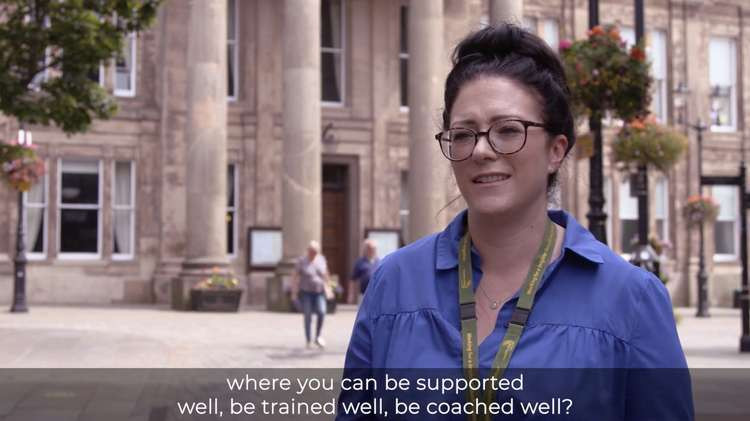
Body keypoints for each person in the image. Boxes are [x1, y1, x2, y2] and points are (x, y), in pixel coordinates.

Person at [338, 24, 692, 420]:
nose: (482, 150)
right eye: (463, 134)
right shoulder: (394, 284)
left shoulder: (632, 300)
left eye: (508, 130)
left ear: (556, 150)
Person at [291, 240, 329, 349]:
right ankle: (308, 339)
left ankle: (318, 336)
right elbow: (295, 276)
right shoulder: (302, 261)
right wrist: (294, 292)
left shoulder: (321, 259)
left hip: (319, 291)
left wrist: (328, 288)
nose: (313, 253)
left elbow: (326, 274)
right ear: (308, 251)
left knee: (322, 312)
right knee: (307, 315)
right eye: (312, 251)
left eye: (316, 252)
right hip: (306, 292)